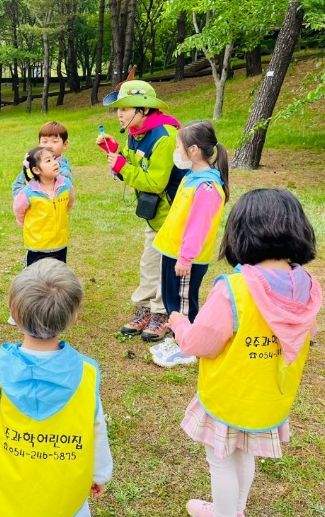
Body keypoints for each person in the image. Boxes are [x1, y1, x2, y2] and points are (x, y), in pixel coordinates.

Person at [168, 189, 322, 517]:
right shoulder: (308, 286)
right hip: (268, 397)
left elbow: (198, 343)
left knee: (221, 460)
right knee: (243, 452)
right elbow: (309, 333)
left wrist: (179, 323)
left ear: (241, 233)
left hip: (230, 396)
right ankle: (235, 510)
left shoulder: (234, 290)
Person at [0, 259, 113, 517]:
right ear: (74, 315)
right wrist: (99, 473)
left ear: (13, 311)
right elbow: (97, 428)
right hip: (67, 493)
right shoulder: (86, 374)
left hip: (12, 494)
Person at [99, 80, 184, 343]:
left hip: (172, 214)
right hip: (154, 215)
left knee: (165, 266)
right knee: (148, 263)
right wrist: (115, 151)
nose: (119, 114)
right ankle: (145, 308)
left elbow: (155, 182)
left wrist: (122, 167)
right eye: (118, 109)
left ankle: (161, 313)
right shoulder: (136, 133)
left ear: (144, 110)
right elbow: (130, 162)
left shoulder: (165, 136)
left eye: (125, 108)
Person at [150, 120, 229, 367]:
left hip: (186, 258)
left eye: (178, 146)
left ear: (193, 150)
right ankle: (178, 340)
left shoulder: (207, 187)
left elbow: (198, 227)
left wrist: (186, 258)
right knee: (172, 299)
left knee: (184, 303)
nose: (176, 151)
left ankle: (188, 347)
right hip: (173, 252)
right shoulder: (192, 177)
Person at [13, 146, 74, 266]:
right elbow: (18, 211)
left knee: (58, 273)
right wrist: (24, 224)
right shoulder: (28, 192)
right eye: (48, 161)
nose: (55, 163)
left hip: (60, 243)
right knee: (35, 274)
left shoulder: (65, 185)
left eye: (54, 158)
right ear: (36, 170)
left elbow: (70, 202)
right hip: (37, 246)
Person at [12, 121, 72, 197]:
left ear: (65, 144)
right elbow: (18, 184)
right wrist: (24, 200)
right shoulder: (33, 163)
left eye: (54, 141)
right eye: (45, 141)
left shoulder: (63, 169)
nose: (49, 146)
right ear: (39, 144)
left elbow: (66, 191)